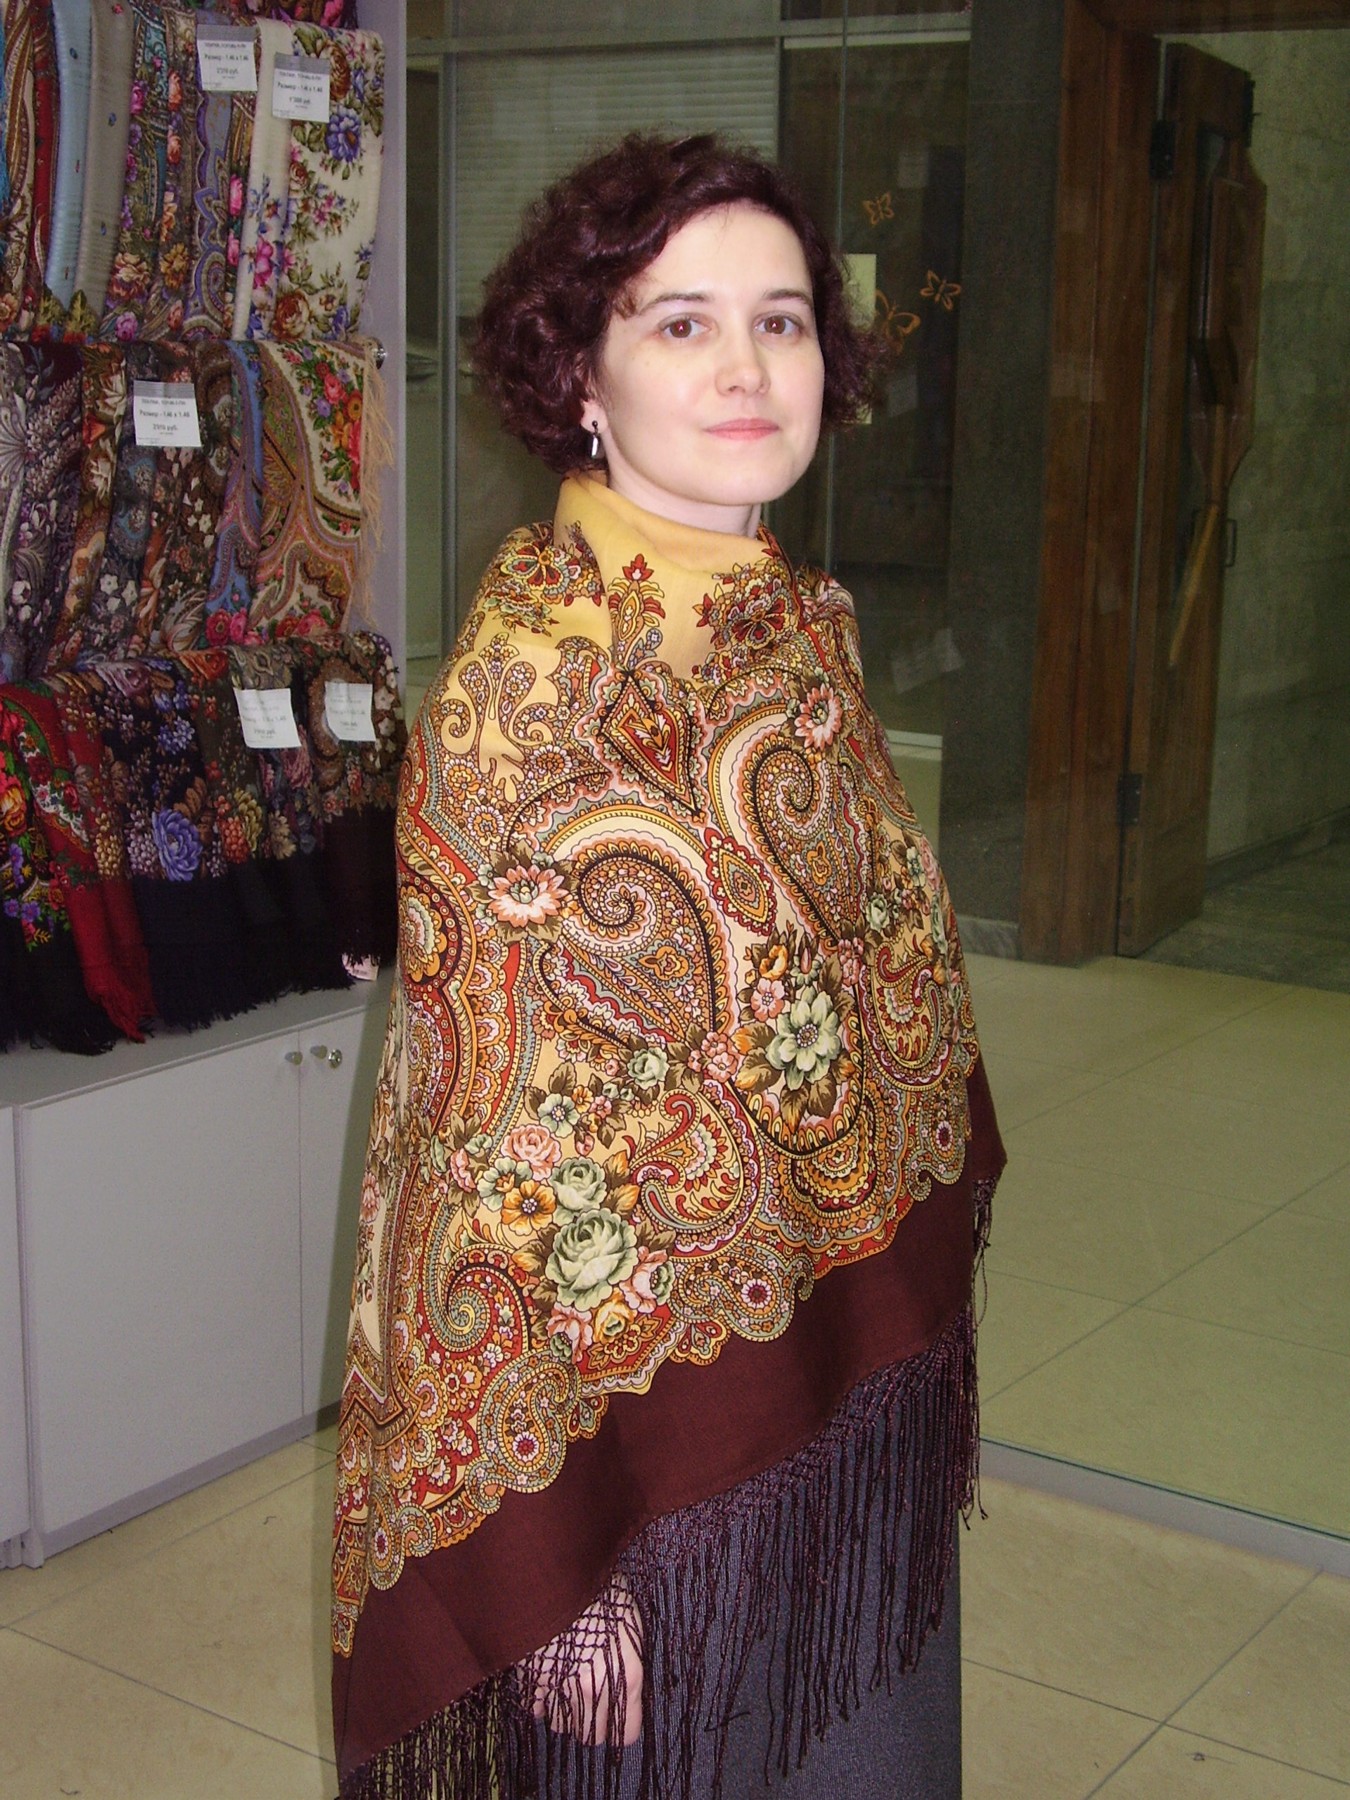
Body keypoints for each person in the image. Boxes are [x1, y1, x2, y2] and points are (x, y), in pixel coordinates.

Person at [331, 133, 1003, 1800]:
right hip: (649, 1481)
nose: (745, 366)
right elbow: (478, 1157)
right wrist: (562, 1578)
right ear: (581, 374)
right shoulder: (526, 704)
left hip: (848, 1368)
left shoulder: (798, 636)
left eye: (781, 320)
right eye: (679, 322)